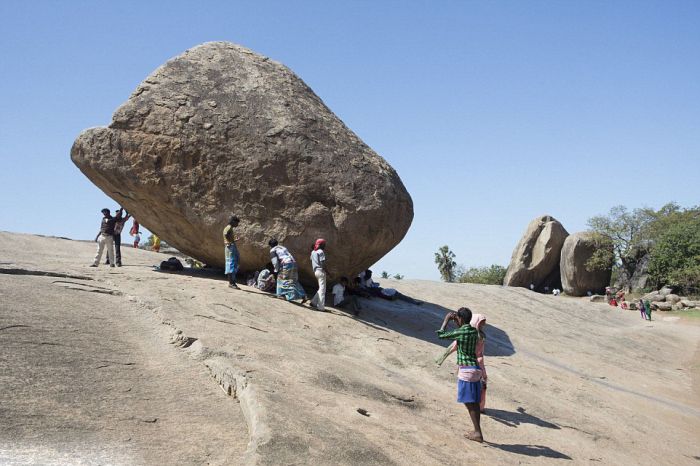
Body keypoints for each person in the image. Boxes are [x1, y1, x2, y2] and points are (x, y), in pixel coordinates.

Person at [437, 307, 484, 443]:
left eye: (457, 318)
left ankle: (477, 433)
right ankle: (477, 431)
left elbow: (441, 335)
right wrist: (457, 320)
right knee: (474, 402)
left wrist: (446, 320)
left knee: (469, 403)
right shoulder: (473, 331)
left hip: (466, 371)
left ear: (461, 319)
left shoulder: (461, 331)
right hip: (476, 369)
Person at [471, 313, 488, 413]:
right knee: (481, 386)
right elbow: (479, 357)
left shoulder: (470, 335)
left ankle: (475, 406)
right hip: (476, 366)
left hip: (472, 365)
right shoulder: (478, 337)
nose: (483, 325)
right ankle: (479, 407)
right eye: (481, 323)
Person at [223, 216, 240, 289]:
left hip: (231, 246)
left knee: (233, 264)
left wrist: (233, 240)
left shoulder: (230, 228)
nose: (237, 224)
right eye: (237, 223)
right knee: (230, 264)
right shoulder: (228, 227)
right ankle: (231, 283)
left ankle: (233, 282)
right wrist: (228, 242)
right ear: (233, 221)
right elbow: (225, 234)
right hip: (230, 247)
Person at [310, 238, 327, 311]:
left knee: (321, 288)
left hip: (315, 271)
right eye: (324, 244)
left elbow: (311, 259)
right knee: (323, 290)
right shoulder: (321, 252)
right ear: (321, 244)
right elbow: (323, 263)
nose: (325, 246)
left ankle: (313, 302)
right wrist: (328, 272)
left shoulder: (313, 252)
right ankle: (320, 307)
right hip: (320, 271)